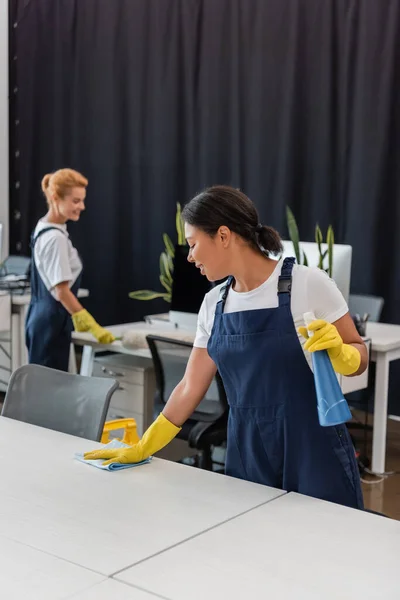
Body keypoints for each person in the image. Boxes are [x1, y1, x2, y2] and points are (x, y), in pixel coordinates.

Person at [85, 185, 367, 509]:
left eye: (193, 244)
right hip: (248, 451)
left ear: (222, 235)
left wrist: (342, 353)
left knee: (323, 548)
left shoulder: (308, 283)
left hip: (313, 450)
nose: (189, 257)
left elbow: (358, 356)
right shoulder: (214, 303)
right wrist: (143, 446)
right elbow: (190, 387)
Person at [25, 168, 115, 372]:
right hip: (51, 321)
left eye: (82, 200)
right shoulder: (55, 238)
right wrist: (89, 323)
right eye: (75, 201)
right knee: (49, 390)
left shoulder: (44, 228)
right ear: (56, 198)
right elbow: (61, 291)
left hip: (41, 317)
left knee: (44, 385)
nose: (82, 206)